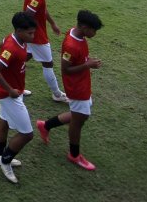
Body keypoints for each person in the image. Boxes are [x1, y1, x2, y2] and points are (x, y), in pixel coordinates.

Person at [36, 10, 104, 170]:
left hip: (83, 83)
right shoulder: (71, 45)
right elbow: (66, 70)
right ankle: (74, 155)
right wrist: (87, 65)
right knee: (79, 119)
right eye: (93, 30)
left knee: (77, 114)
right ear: (85, 27)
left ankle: (45, 125)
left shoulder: (77, 34)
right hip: (77, 88)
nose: (94, 34)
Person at [0, 11, 39, 184]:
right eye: (30, 33)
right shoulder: (12, 47)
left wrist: (21, 60)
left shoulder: (15, 40)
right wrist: (10, 89)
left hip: (13, 91)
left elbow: (0, 44)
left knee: (3, 121)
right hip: (10, 95)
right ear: (19, 30)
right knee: (27, 134)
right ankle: (5, 161)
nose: (33, 37)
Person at [23, 0, 68, 102]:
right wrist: (30, 34)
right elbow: (28, 14)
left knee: (23, 58)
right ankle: (57, 94)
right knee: (48, 64)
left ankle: (10, 79)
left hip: (32, 35)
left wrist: (53, 23)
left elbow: (41, 9)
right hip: (37, 36)